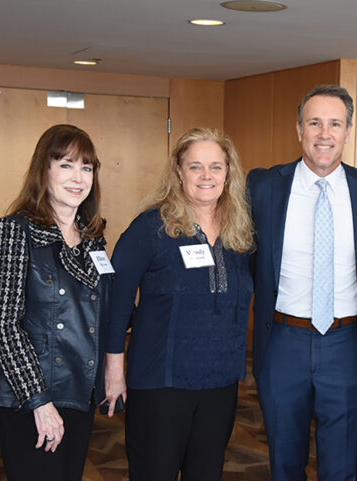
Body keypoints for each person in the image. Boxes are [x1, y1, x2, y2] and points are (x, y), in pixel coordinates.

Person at [247, 84, 357, 480]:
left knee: (342, 465)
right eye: (314, 123)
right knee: (284, 462)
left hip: (346, 345)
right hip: (283, 344)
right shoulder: (261, 187)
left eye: (335, 124)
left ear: (348, 130)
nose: (324, 134)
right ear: (298, 129)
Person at [104, 127, 254, 480]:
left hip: (220, 382)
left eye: (216, 167)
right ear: (177, 172)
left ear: (228, 173)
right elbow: (116, 302)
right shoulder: (150, 228)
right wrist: (113, 373)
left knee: (206, 472)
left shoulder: (241, 232)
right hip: (162, 381)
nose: (207, 176)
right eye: (195, 166)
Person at [0, 124, 111, 481]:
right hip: (31, 394)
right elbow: (3, 327)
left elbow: (100, 311)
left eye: (87, 168)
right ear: (44, 170)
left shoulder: (92, 238)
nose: (78, 177)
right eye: (66, 165)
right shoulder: (12, 231)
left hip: (78, 389)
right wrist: (39, 401)